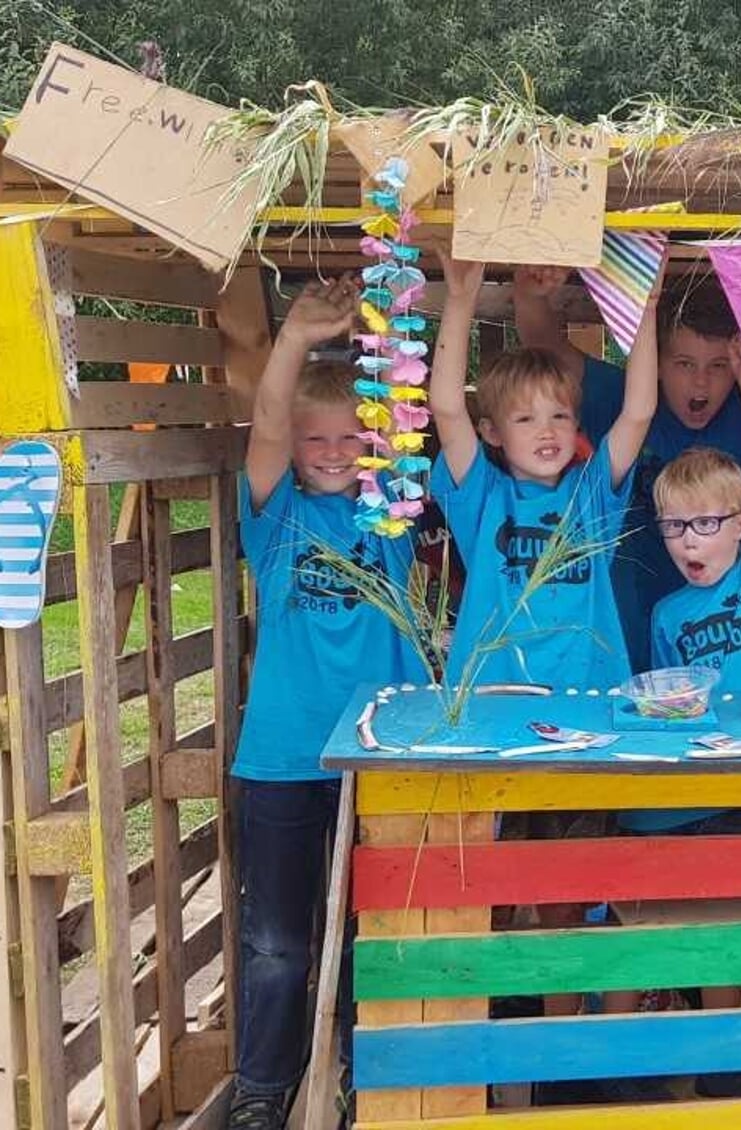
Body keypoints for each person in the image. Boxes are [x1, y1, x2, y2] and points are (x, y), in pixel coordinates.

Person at [228, 277, 424, 1130]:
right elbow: (268, 425)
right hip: (281, 758)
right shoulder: (277, 520)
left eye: (354, 438)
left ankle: (353, 1076)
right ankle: (262, 1089)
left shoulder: (392, 518)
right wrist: (294, 342)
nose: (335, 452)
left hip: (376, 757)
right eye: (319, 440)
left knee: (363, 938)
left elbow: (407, 420)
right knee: (277, 944)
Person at [599, 350, 741, 1099]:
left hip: (740, 783)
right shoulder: (666, 613)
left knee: (728, 932)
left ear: (740, 526)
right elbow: (663, 701)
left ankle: (722, 1063)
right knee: (643, 924)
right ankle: (611, 1070)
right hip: (675, 795)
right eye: (674, 526)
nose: (686, 541)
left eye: (704, 524)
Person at [514, 268, 741, 672]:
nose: (701, 383)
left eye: (717, 366)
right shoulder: (623, 398)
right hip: (624, 625)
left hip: (730, 637)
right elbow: (545, 347)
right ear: (656, 362)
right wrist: (529, 293)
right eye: (684, 363)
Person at [429, 256, 657, 690]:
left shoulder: (591, 496)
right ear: (492, 433)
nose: (546, 431)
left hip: (589, 698)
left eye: (559, 416)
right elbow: (447, 407)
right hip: (493, 696)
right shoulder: (482, 496)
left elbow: (639, 411)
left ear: (577, 424)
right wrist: (460, 300)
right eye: (525, 420)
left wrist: (646, 304)